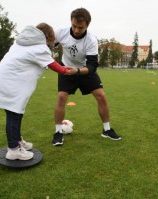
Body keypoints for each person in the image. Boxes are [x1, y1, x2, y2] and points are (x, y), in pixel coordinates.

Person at [0, 23, 77, 160]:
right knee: (14, 115)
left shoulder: (21, 43)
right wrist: (69, 70)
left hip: (6, 83)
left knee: (16, 114)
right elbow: (55, 66)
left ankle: (17, 142)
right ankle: (13, 150)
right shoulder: (40, 48)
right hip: (11, 86)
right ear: (48, 37)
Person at [52, 8, 121, 146]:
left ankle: (106, 130)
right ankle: (58, 133)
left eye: (80, 27)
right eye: (74, 26)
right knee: (61, 97)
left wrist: (77, 71)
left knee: (101, 96)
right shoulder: (60, 32)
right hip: (66, 68)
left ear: (87, 25)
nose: (76, 30)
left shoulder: (91, 40)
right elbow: (48, 45)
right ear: (71, 22)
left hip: (84, 70)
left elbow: (92, 66)